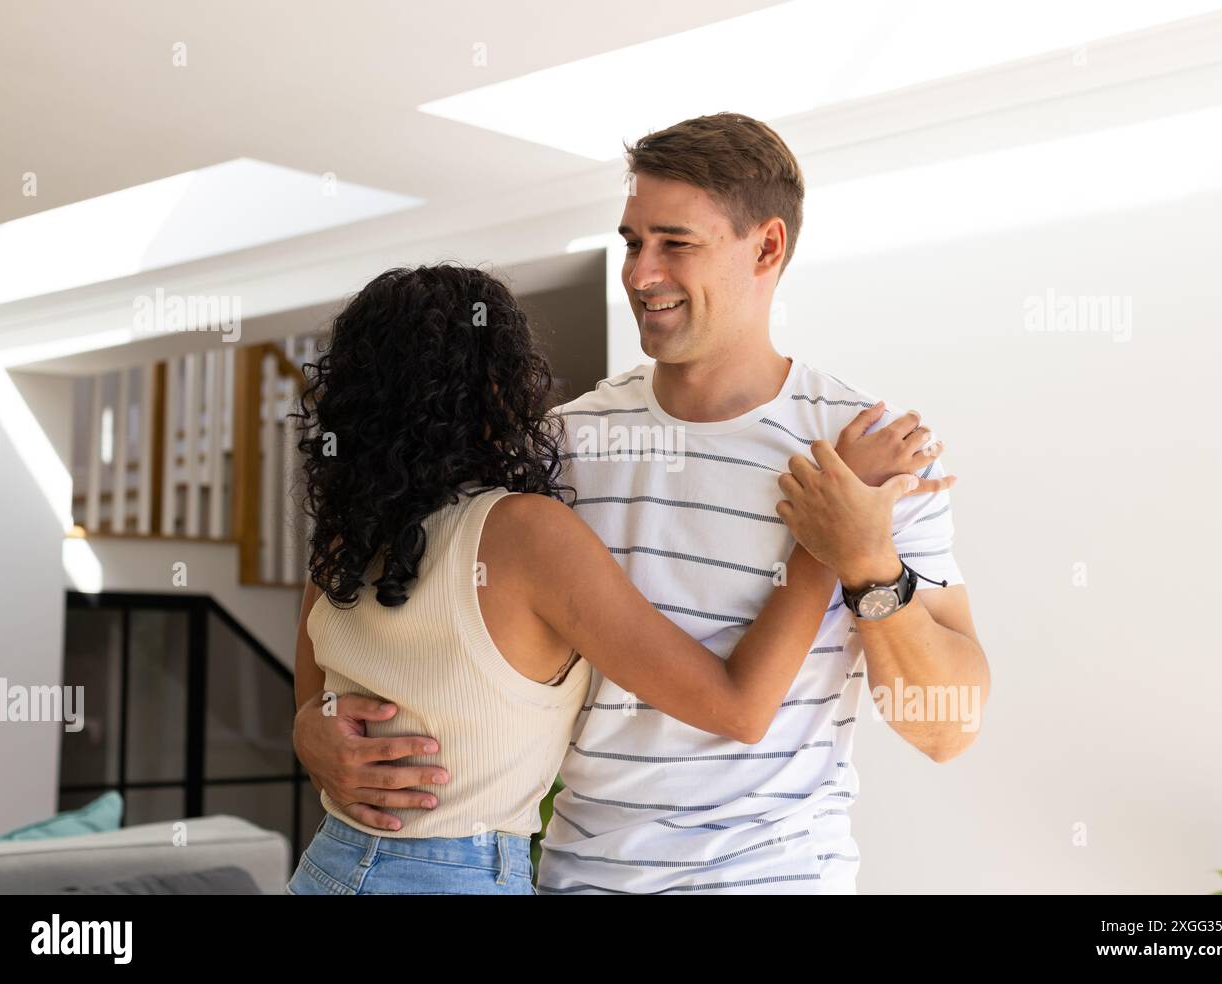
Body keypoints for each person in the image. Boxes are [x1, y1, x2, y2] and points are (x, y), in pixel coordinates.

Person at [295, 112, 989, 895]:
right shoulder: (558, 447)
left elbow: (947, 728)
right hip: (577, 878)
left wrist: (865, 557)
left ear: (767, 247)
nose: (639, 272)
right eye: (631, 242)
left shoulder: (867, 455)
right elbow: (397, 588)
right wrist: (314, 727)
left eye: (674, 243)